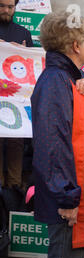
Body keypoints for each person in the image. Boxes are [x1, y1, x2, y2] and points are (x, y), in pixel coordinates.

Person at [31, 11, 84, 258]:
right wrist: (67, 196)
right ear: (74, 46)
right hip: (65, 202)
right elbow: (52, 145)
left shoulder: (64, 80)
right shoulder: (56, 81)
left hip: (71, 196)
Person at [0, 0, 33, 212]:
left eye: (10, 6)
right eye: (2, 6)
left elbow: (31, 65)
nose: (6, 10)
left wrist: (24, 52)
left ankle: (13, 194)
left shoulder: (23, 32)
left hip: (15, 104)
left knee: (15, 145)